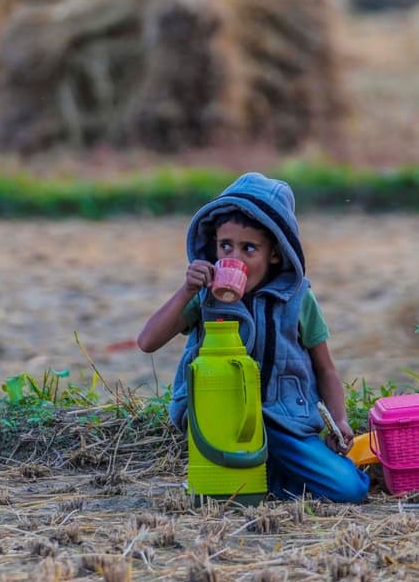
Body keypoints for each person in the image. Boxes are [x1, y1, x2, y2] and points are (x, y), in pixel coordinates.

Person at [136, 173, 369, 503]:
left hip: (282, 423)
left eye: (249, 248)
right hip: (218, 419)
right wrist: (187, 288)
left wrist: (340, 420)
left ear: (275, 253)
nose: (235, 257)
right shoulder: (204, 295)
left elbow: (326, 368)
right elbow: (147, 341)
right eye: (225, 246)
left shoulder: (298, 299)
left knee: (352, 489)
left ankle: (269, 479)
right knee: (222, 493)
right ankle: (260, 479)